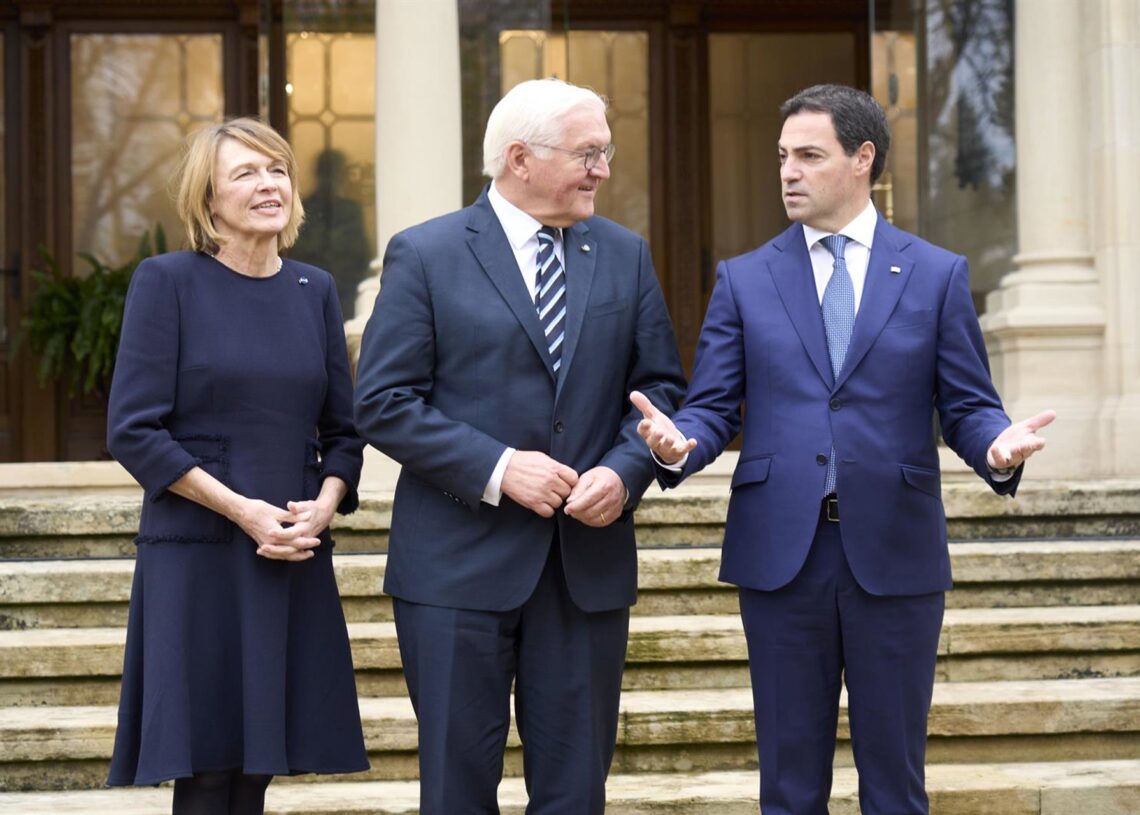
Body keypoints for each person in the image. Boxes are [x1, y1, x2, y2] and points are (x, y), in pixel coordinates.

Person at [631, 84, 1055, 815]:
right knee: (790, 784)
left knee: (895, 782)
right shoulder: (746, 277)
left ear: (864, 159)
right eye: (782, 157)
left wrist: (997, 447)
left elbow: (968, 405)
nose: (788, 172)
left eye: (808, 155)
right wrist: (679, 444)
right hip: (780, 557)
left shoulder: (935, 273)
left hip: (895, 550)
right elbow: (709, 405)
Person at [353, 78, 686, 814]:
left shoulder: (626, 255)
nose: (603, 168)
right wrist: (500, 468)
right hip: (454, 570)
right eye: (588, 152)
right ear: (518, 159)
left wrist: (627, 471)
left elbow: (660, 391)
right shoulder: (427, 253)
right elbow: (380, 402)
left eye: (606, 151)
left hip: (584, 568)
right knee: (457, 792)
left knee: (575, 794)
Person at [105, 117, 368, 814]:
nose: (268, 184)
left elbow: (343, 430)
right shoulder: (167, 281)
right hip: (198, 552)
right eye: (246, 173)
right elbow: (134, 429)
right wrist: (242, 509)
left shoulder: (315, 289)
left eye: (277, 169)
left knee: (259, 764)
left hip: (287, 548)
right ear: (208, 197)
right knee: (208, 766)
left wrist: (325, 498)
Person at [289, 148, 373, 320]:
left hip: (346, 293)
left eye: (335, 174)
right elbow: (295, 250)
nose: (331, 180)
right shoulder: (302, 210)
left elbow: (362, 254)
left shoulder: (350, 210)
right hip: (308, 291)